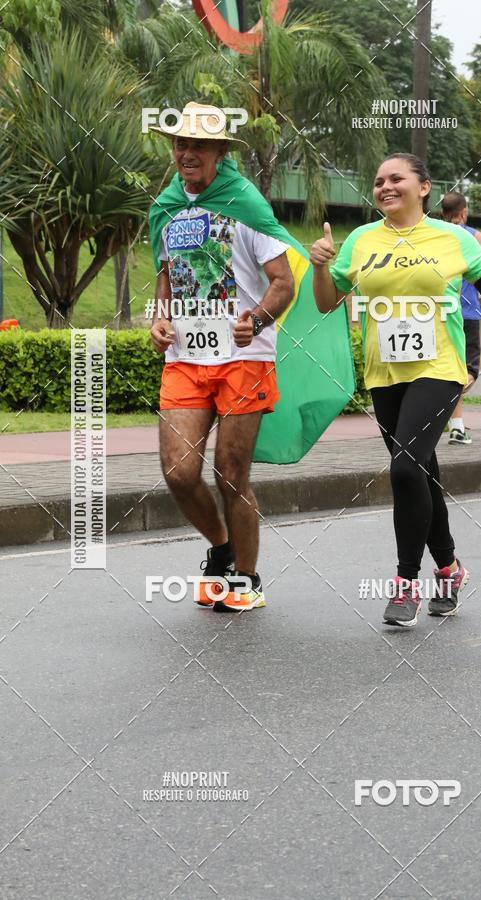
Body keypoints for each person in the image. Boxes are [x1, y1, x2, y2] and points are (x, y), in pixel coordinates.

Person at [310, 152, 481, 627]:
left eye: (396, 178)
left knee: (404, 468)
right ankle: (449, 568)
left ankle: (406, 584)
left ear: (423, 187)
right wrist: (321, 266)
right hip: (384, 374)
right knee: (421, 472)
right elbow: (327, 302)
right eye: (378, 179)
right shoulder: (362, 240)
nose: (384, 186)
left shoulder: (454, 238)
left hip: (441, 368)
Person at [149, 103, 295, 612]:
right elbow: (166, 275)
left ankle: (247, 579)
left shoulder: (245, 204)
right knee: (179, 473)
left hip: (244, 357)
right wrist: (159, 318)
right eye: (180, 145)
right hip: (186, 359)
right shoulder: (166, 207)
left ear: (220, 152)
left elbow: (284, 282)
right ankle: (222, 547)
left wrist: (255, 318)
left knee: (230, 472)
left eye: (199, 146)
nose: (187, 154)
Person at [441, 191, 481, 445]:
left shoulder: (435, 235)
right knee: (467, 372)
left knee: (451, 369)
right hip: (467, 314)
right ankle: (438, 406)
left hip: (439, 313)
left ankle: (457, 427)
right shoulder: (474, 236)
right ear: (463, 212)